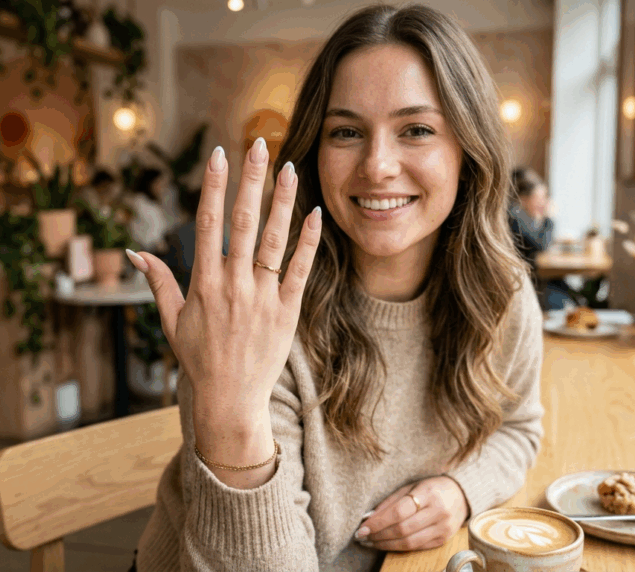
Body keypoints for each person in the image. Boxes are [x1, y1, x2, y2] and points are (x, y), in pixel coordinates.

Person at [125, 5, 544, 571]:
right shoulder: (257, 322)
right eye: (346, 131)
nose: (377, 165)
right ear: (314, 155)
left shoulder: (501, 292)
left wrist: (460, 491)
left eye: (416, 130)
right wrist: (230, 418)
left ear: (468, 152)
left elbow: (519, 429)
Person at [509, 167, 578, 311]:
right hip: (528, 281)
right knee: (563, 294)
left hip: (534, 277)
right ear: (524, 199)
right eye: (538, 197)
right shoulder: (515, 216)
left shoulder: (523, 216)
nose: (543, 202)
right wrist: (549, 218)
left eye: (545, 197)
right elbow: (542, 244)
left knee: (568, 290)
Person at [124, 168, 175, 254]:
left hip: (157, 250)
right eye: (160, 184)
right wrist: (156, 243)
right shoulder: (138, 202)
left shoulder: (154, 204)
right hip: (145, 251)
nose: (163, 188)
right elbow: (136, 231)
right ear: (150, 183)